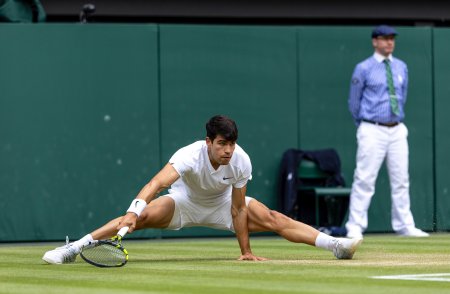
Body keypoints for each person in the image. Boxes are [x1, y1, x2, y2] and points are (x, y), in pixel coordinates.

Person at [43, 115, 362, 264]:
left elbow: (238, 208)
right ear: (208, 142)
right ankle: (74, 248)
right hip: (184, 203)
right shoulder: (187, 156)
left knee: (273, 217)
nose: (227, 150)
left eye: (231, 144)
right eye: (222, 144)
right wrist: (133, 210)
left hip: (223, 205)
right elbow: (156, 184)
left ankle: (335, 245)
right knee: (136, 219)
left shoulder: (241, 161)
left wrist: (246, 252)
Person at [345, 25, 429, 238]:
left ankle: (404, 225)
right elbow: (354, 102)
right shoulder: (363, 68)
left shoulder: (401, 66)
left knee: (401, 179)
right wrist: (364, 125)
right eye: (385, 38)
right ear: (375, 41)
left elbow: (403, 95)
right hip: (372, 128)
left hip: (398, 129)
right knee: (364, 178)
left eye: (392, 38)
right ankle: (355, 226)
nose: (389, 42)